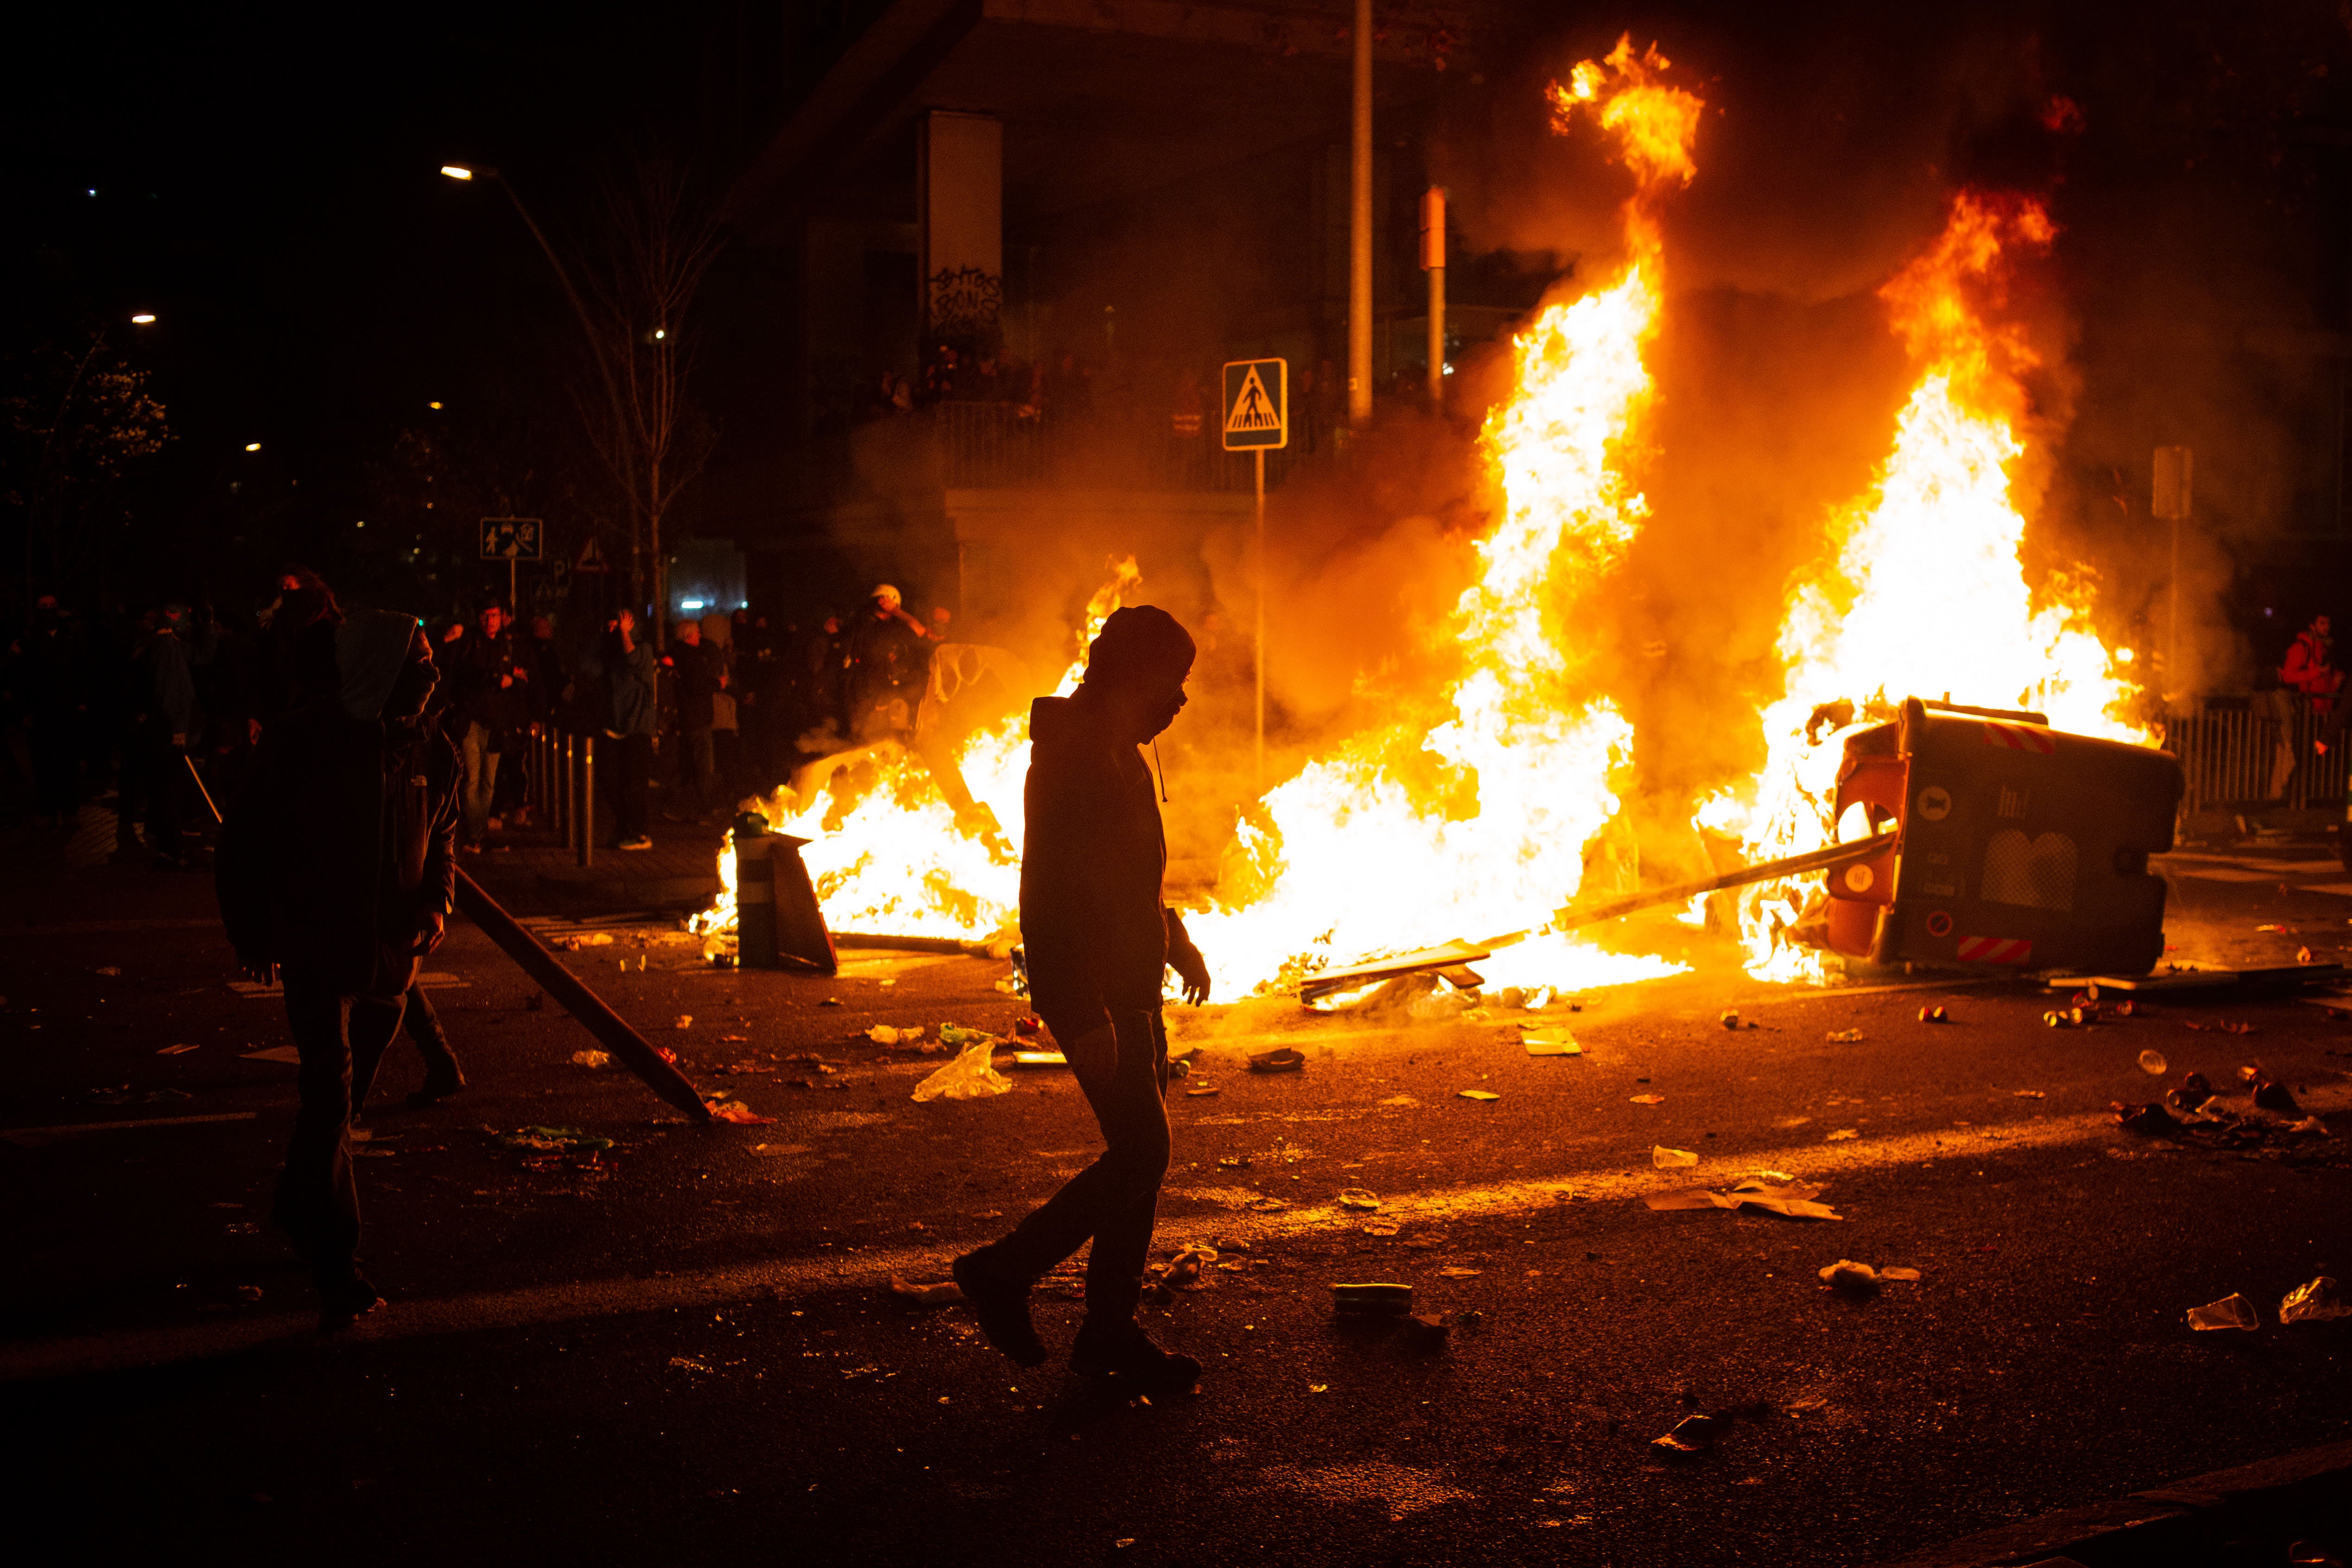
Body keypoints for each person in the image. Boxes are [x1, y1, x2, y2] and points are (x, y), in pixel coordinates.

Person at [953, 605, 1212, 1396]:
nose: (1180, 701)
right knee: (1142, 1152)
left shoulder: (1118, 751)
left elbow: (1123, 871)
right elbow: (1051, 895)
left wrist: (1173, 934)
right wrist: (1082, 1006)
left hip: (1131, 980)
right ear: (1132, 675)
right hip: (1096, 989)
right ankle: (1003, 1272)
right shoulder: (1073, 755)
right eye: (1172, 682)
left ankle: (1107, 1331)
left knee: (1142, 1164)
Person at [215, 608, 457, 1331]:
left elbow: (443, 838)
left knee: (342, 1110)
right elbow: (244, 844)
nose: (430, 672)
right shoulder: (301, 742)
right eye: (417, 659)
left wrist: (437, 906)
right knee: (328, 1095)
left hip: (391, 959)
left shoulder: (433, 749)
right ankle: (336, 1266)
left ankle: (298, 1203)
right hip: (316, 942)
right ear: (376, 667)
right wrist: (254, 931)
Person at [448, 603, 529, 846]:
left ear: (501, 617)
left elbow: (525, 678)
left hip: (497, 722)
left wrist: (513, 681)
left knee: (489, 782)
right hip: (472, 718)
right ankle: (474, 835)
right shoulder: (469, 641)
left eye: (493, 615)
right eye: (484, 615)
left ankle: (479, 832)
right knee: (472, 779)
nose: (489, 621)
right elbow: (460, 674)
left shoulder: (509, 644)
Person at [602, 607, 658, 849]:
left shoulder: (643, 648)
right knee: (610, 780)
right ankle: (624, 824)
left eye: (621, 623)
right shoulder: (610, 649)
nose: (615, 627)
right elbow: (588, 664)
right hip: (615, 725)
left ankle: (641, 833)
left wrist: (624, 634)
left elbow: (632, 658)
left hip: (638, 726)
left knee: (636, 783)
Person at [844, 585, 929, 742]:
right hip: (865, 692)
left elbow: (920, 630)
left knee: (883, 739)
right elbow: (918, 629)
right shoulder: (865, 624)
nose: (882, 602)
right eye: (880, 600)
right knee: (861, 738)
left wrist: (895, 611)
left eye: (886, 600)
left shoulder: (892, 628)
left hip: (883, 692)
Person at [663, 616, 726, 820]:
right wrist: (719, 684)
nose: (700, 635)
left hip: (688, 716)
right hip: (697, 717)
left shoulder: (679, 654)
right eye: (697, 632)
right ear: (689, 636)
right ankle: (705, 809)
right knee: (702, 764)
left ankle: (672, 807)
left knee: (687, 765)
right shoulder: (691, 657)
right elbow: (697, 687)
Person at [2283, 614, 2346, 756]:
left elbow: (2324, 684)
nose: (2327, 627)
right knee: (2302, 759)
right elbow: (2287, 676)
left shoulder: (2324, 649)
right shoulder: (2300, 648)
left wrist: (2336, 682)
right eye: (2322, 623)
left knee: (2319, 765)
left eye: (2328, 623)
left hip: (2323, 717)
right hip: (2305, 718)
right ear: (2312, 626)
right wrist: (2316, 672)